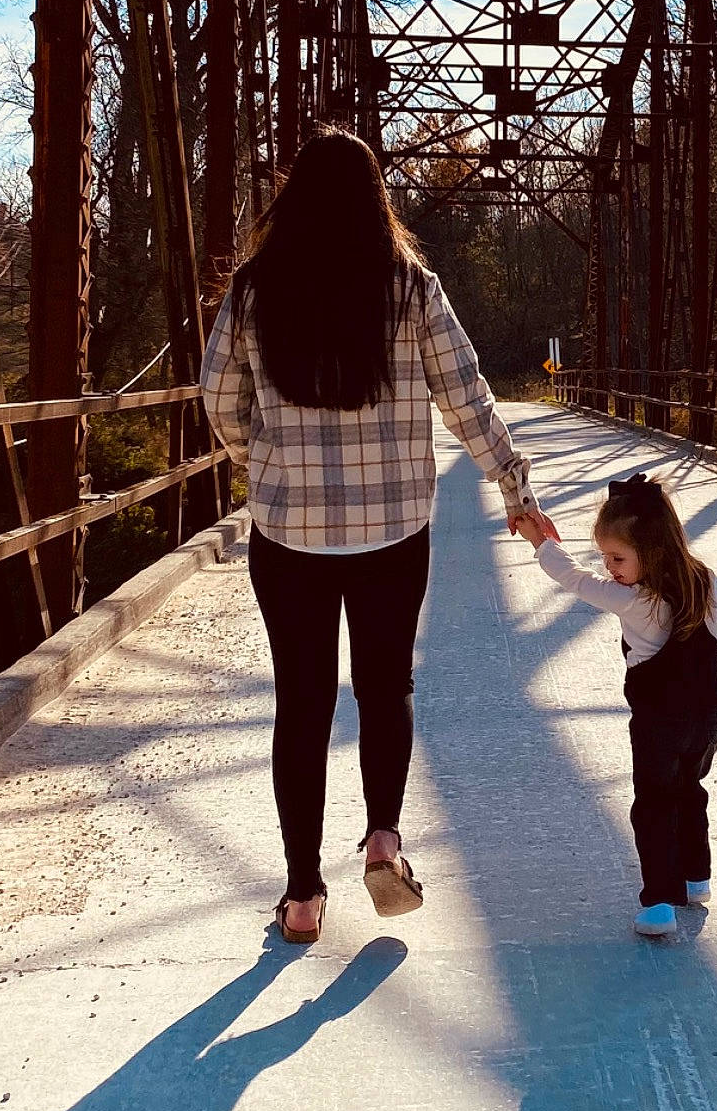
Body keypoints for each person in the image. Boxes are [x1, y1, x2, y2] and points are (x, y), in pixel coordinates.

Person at [200, 128, 553, 946]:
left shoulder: (255, 291)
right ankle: (385, 840)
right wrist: (516, 488)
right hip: (394, 531)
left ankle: (299, 895)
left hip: (289, 536)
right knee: (386, 686)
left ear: (292, 199)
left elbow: (217, 399)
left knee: (303, 702)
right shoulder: (412, 288)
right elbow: (468, 399)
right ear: (374, 199)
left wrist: (265, 464)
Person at [514, 472, 717, 938]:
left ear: (653, 551)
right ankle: (695, 877)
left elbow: (572, 579)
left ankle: (659, 902)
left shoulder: (632, 600)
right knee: (690, 789)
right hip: (707, 716)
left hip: (658, 722)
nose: (609, 568)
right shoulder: (703, 580)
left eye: (617, 557)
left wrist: (541, 542)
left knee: (653, 804)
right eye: (606, 556)